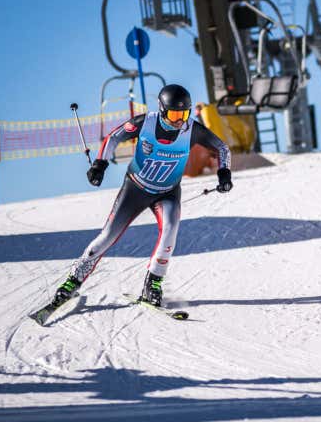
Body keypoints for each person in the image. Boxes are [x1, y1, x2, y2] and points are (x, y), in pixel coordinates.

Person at [50, 83, 232, 308]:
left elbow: (223, 148)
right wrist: (99, 165)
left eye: (184, 114)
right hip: (135, 189)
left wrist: (224, 174)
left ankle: (153, 284)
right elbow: (112, 138)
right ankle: (73, 280)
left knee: (169, 233)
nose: (179, 121)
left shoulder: (192, 129)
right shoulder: (144, 123)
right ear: (163, 110)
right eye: (175, 114)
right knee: (107, 236)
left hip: (167, 193)